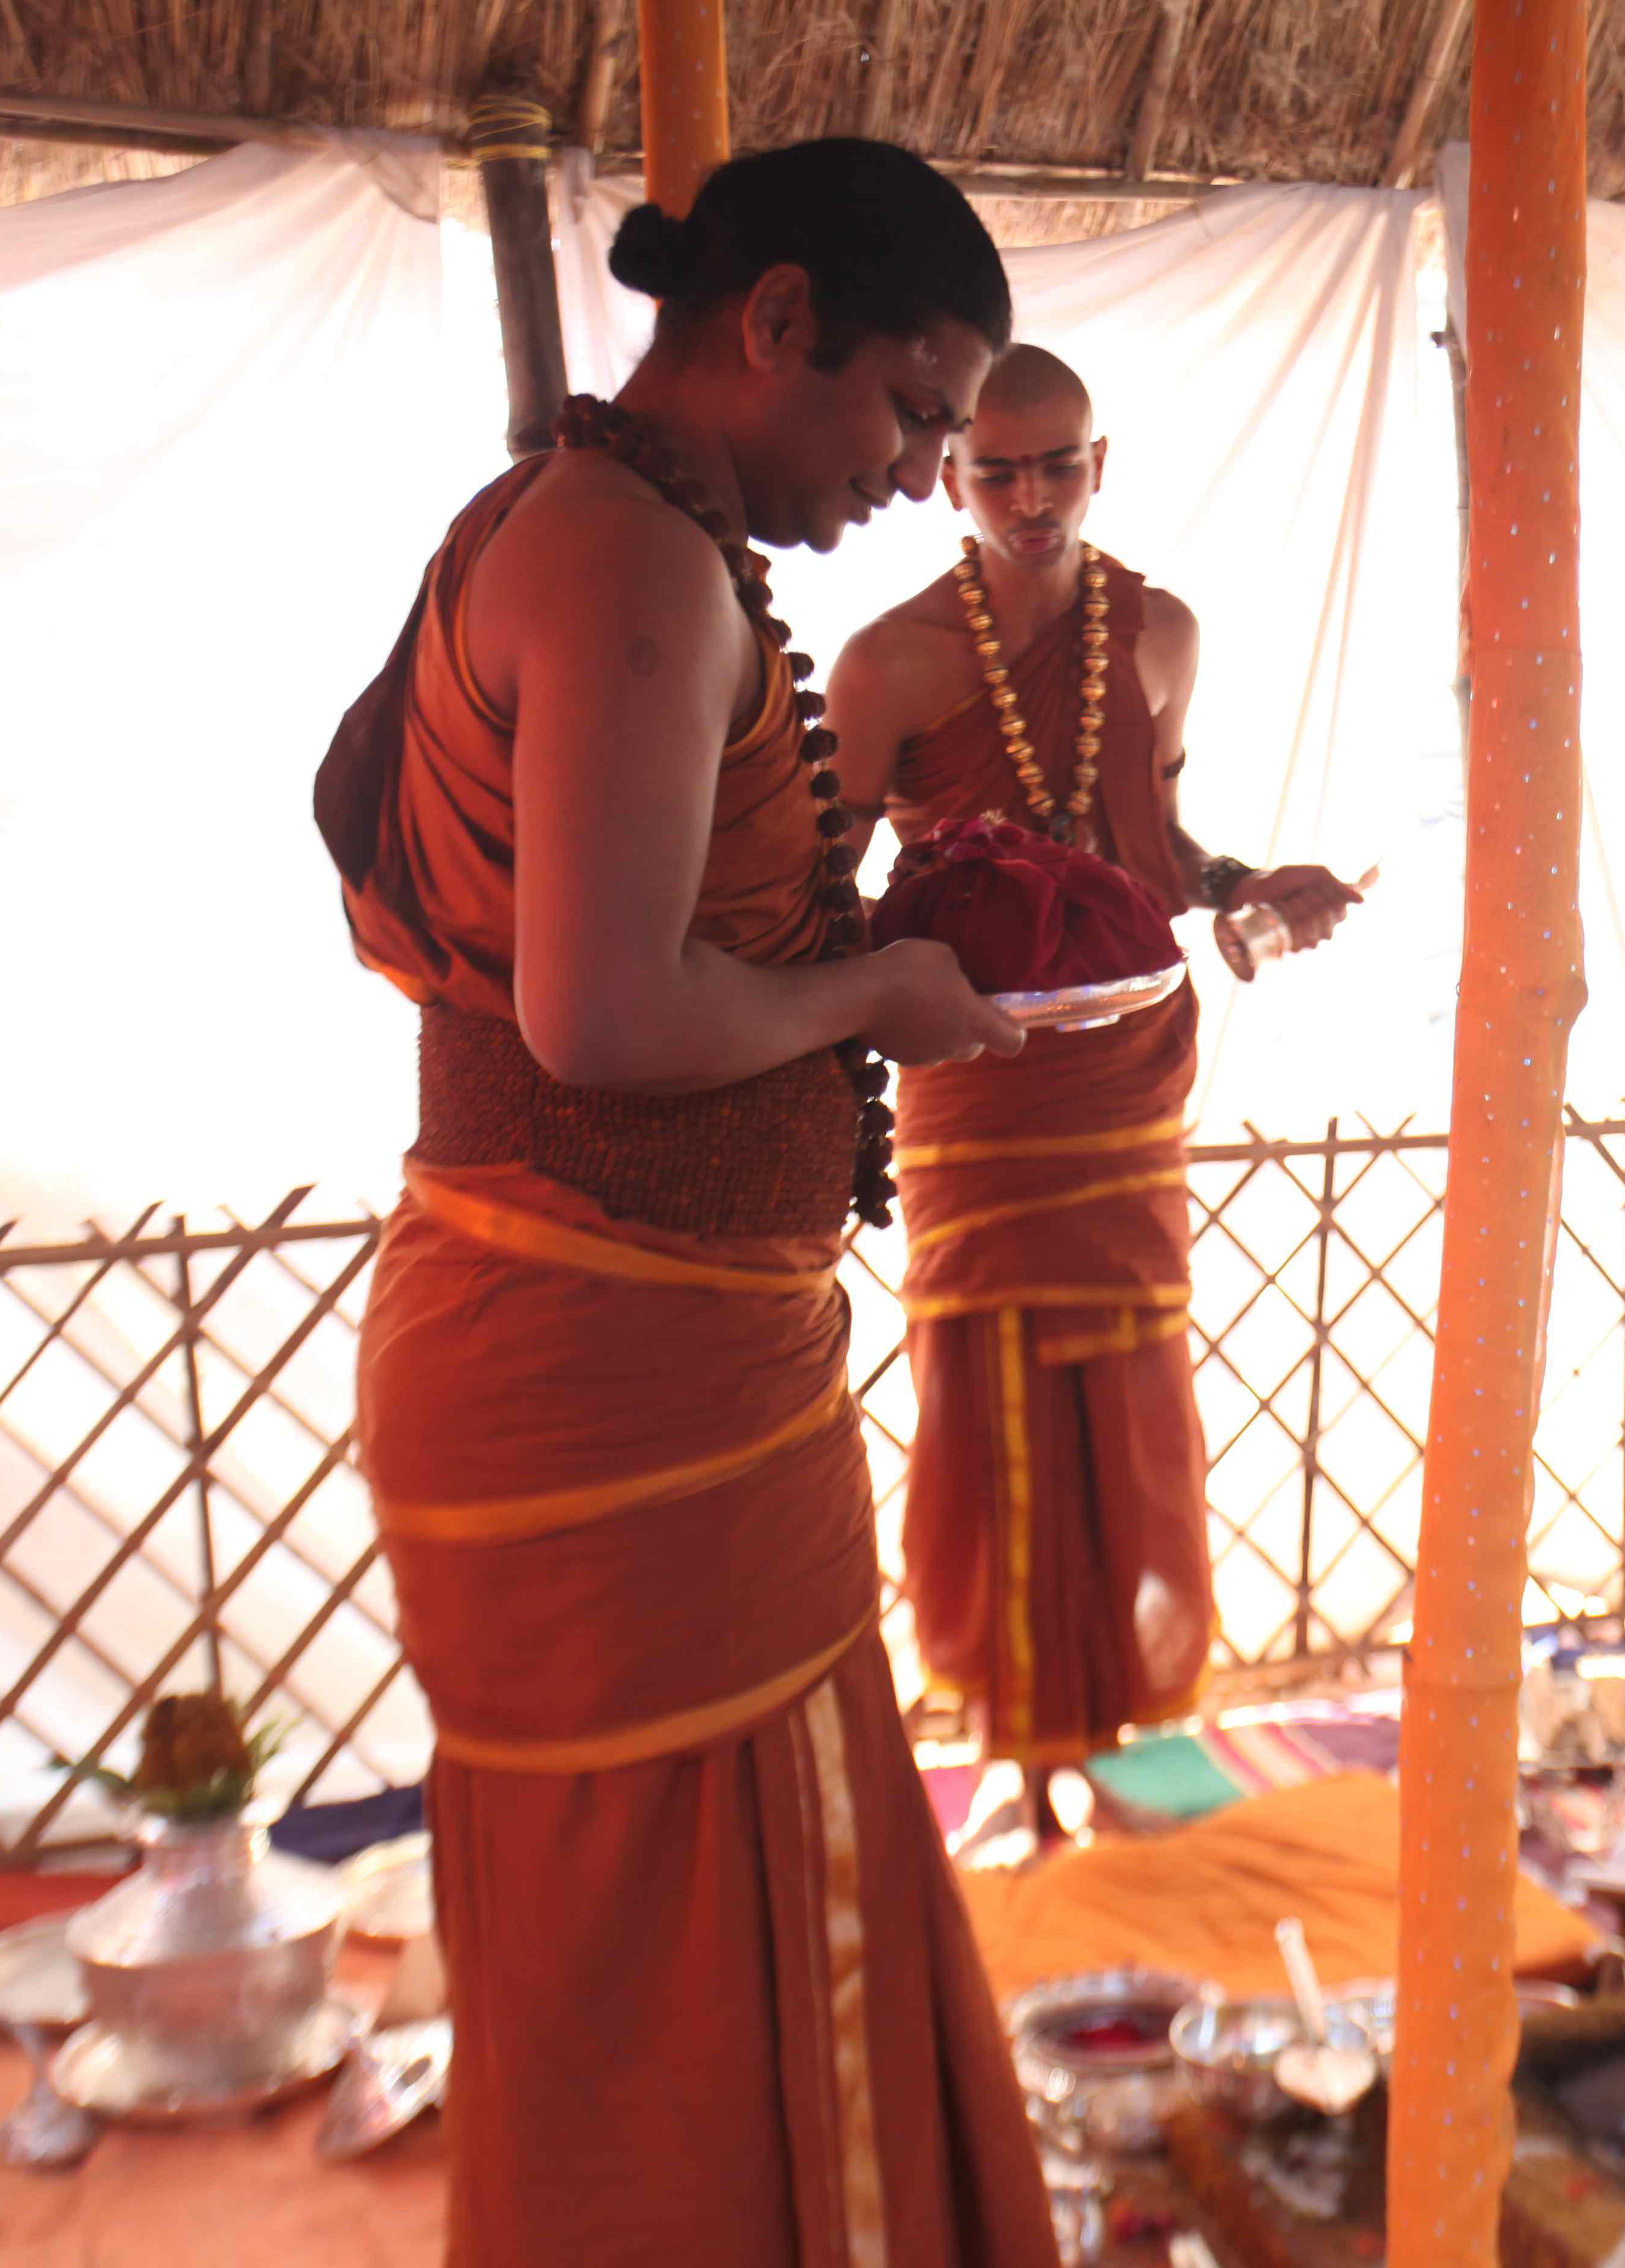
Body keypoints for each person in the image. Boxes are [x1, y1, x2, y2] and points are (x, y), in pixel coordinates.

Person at [312, 139, 1057, 2266]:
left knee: (643, 1961)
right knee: (720, 1951)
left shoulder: (584, 530)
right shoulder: (632, 561)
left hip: (593, 1348)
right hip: (610, 1374)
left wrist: (846, 943)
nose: (920, 474)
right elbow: (605, 1014)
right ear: (778, 319)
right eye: (910, 411)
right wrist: (878, 992)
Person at [826, 345, 1360, 1849]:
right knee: (983, 1380)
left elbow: (1154, 847)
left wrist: (1247, 888)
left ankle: (1118, 1734)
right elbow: (817, 894)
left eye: (1058, 463)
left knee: (1129, 1387)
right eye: (996, 469)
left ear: (1100, 464)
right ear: (948, 476)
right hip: (973, 1071)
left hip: (1123, 1064)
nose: (1032, 497)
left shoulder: (1163, 633)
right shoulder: (887, 663)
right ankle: (1016, 1751)